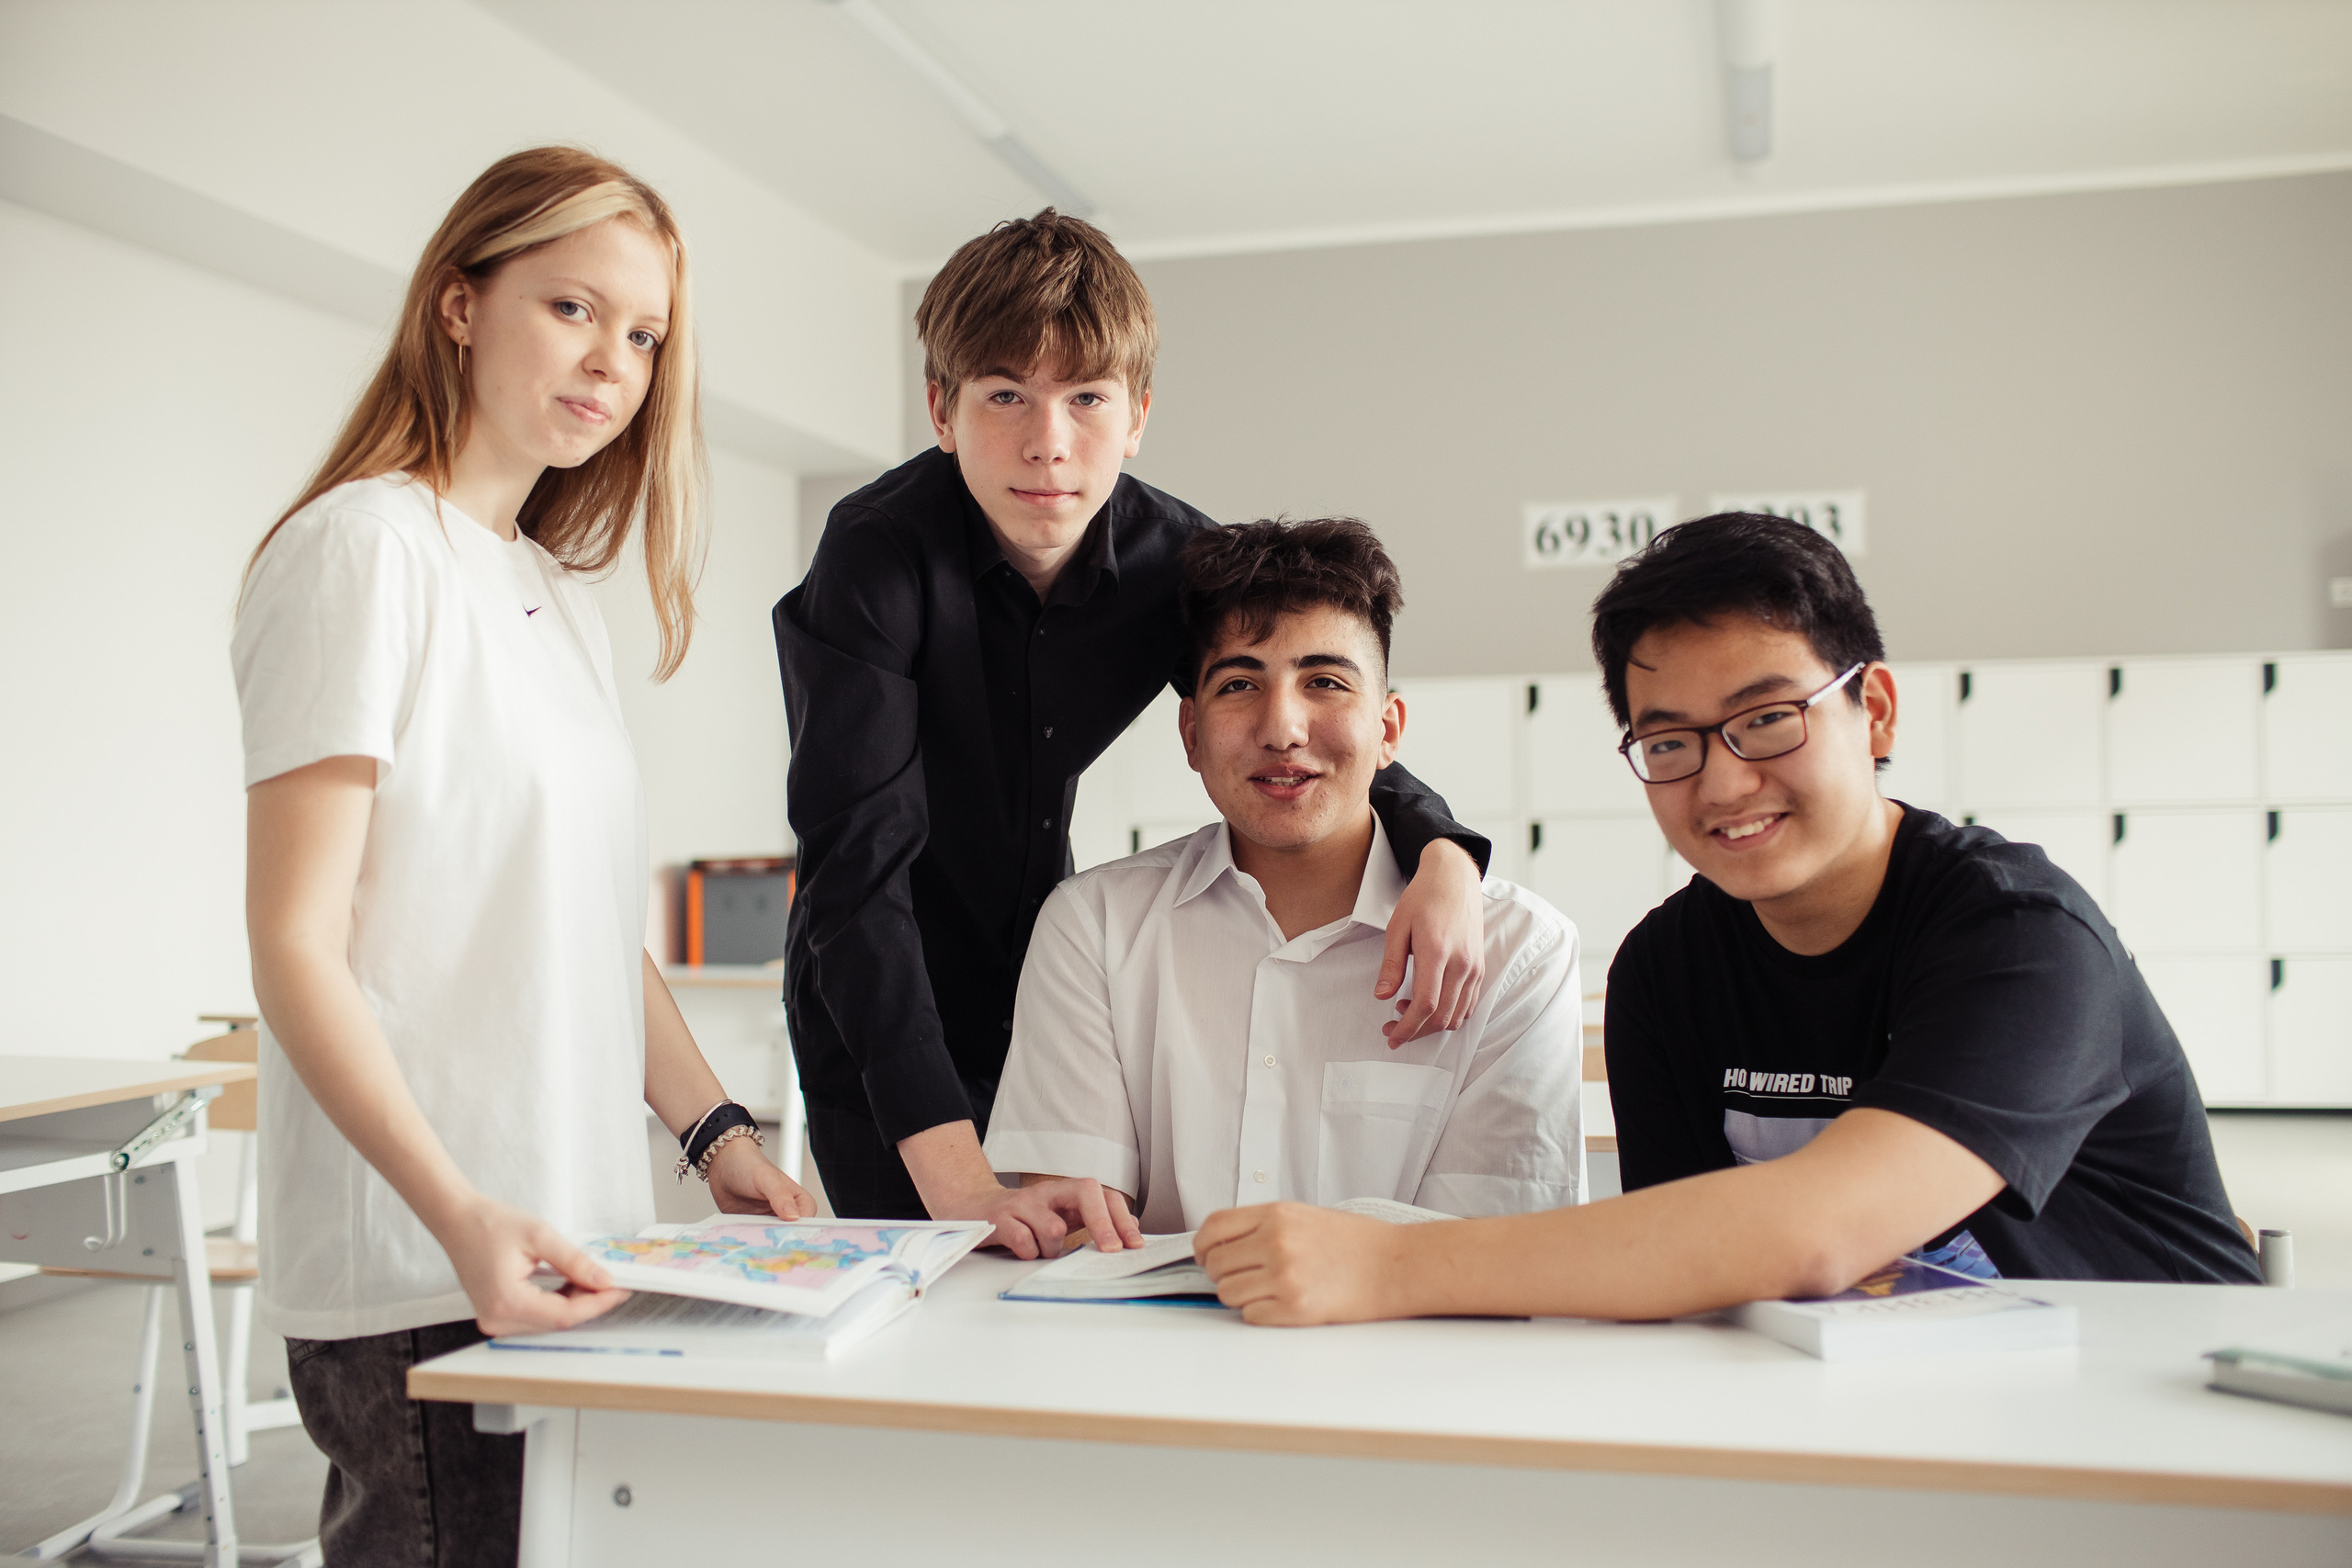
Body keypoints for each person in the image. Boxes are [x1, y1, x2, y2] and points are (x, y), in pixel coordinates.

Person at [1193, 513, 2260, 1325]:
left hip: (2144, 1418)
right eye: (1671, 743)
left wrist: (1384, 1265)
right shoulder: (1668, 968)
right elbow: (1689, 1273)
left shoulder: (2020, 936)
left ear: (1872, 709)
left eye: (1766, 720)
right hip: (1872, 1409)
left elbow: (1816, 1233)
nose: (1723, 782)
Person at [235, 149, 813, 1562]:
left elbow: (583, 930)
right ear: (457, 304)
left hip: (578, 1240)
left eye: (645, 335)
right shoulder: (361, 552)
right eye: (572, 307)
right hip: (429, 1261)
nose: (612, 361)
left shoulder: (555, 592)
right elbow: (296, 943)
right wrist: (462, 1213)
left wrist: (716, 1132)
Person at [775, 210, 1493, 1258]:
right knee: (929, 1294)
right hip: (876, 993)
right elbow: (855, 870)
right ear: (941, 407)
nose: (1047, 444)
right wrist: (960, 1181)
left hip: (1053, 977)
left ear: (1138, 413)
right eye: (1004, 395)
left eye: (1087, 399)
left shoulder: (1176, 560)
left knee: (1064, 1291)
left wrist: (1440, 854)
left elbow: (1309, 710)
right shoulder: (874, 558)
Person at [983, 520, 1582, 1230]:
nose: (1283, 728)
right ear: (1191, 734)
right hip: (1153, 1340)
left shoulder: (1520, 948)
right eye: (1240, 684)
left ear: (1388, 729)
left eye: (1324, 681)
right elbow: (1078, 1236)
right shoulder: (1096, 924)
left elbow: (1494, 1254)